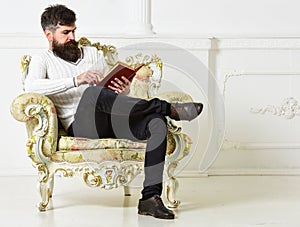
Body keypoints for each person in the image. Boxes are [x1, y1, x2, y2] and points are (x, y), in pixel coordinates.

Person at [25, 4, 203, 220]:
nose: (73, 37)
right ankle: (166, 107)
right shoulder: (42, 59)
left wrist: (123, 89)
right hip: (81, 125)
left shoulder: (92, 53)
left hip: (110, 117)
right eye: (65, 33)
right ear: (48, 34)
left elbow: (109, 93)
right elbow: (31, 87)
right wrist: (76, 80)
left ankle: (150, 198)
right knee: (92, 94)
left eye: (74, 30)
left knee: (156, 123)